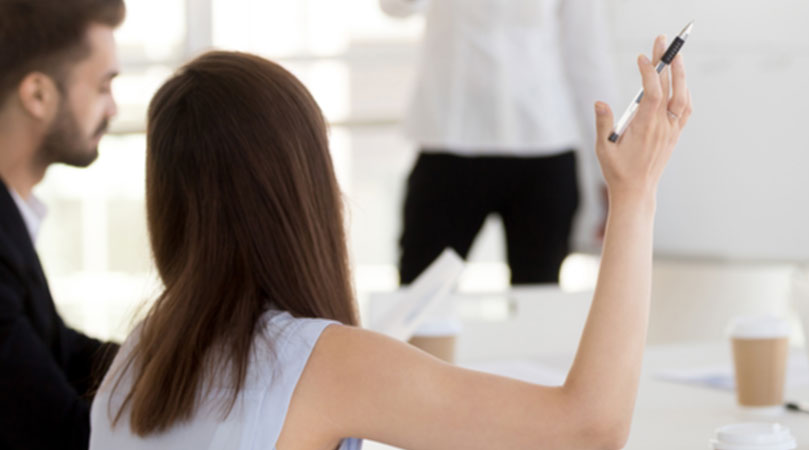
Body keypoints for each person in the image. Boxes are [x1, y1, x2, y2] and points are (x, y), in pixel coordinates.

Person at [89, 36, 690, 448]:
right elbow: (590, 430)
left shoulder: (135, 364)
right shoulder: (318, 360)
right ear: (307, 191)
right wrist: (634, 196)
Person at [380, 0, 617, 286]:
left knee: (538, 299)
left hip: (543, 145)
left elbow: (587, 57)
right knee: (420, 295)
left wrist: (609, 172)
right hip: (448, 145)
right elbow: (394, 7)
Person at [0, 0, 125, 448]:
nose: (113, 108)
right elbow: (64, 436)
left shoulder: (12, 219)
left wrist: (186, 364)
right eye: (103, 86)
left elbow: (62, 350)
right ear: (37, 95)